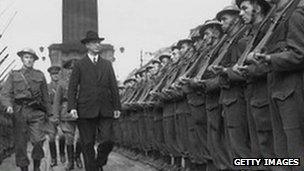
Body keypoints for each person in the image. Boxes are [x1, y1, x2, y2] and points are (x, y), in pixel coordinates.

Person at [67, 31, 121, 171]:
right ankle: (91, 169)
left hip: (105, 108)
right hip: (85, 110)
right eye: (94, 42)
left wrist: (117, 107)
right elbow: (72, 87)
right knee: (87, 143)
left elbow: (113, 86)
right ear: (87, 45)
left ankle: (98, 163)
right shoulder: (79, 65)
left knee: (108, 140)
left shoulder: (107, 64)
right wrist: (72, 107)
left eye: (98, 42)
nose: (97, 45)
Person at [1, 48, 51, 171]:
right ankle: (24, 168)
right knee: (20, 144)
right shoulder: (14, 75)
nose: (28, 60)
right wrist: (8, 106)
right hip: (19, 111)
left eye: (31, 58)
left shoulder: (40, 75)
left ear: (34, 60)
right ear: (22, 59)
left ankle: (37, 166)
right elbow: (5, 93)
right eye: (26, 57)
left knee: (38, 140)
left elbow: (45, 96)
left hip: (36, 112)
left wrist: (50, 114)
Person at [53, 59, 83, 170]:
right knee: (69, 138)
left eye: (75, 69)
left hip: (82, 113)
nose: (73, 71)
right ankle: (70, 162)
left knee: (80, 138)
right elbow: (57, 101)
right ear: (68, 70)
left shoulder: (85, 82)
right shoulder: (62, 84)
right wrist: (56, 117)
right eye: (71, 69)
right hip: (66, 113)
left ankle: (77, 157)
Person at [46, 65, 66, 167]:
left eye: (57, 74)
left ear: (59, 74)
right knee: (51, 137)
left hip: (61, 113)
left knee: (62, 135)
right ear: (50, 75)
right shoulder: (47, 87)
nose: (55, 76)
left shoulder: (63, 85)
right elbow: (45, 101)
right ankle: (54, 158)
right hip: (50, 114)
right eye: (53, 74)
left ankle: (62, 153)